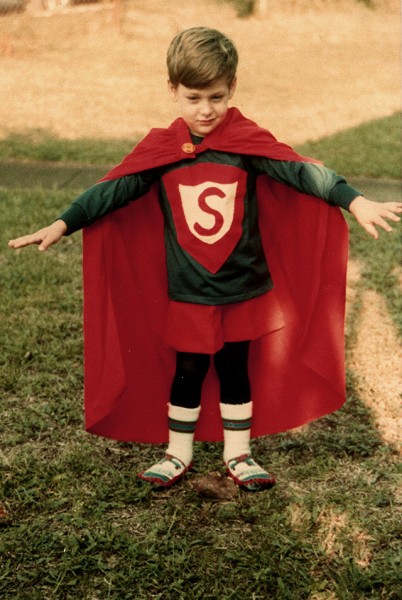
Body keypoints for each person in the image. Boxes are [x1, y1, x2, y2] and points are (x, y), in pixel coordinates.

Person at [8, 27, 401, 491]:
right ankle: (178, 452)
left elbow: (300, 171)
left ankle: (240, 455)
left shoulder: (246, 143)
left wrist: (353, 200)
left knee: (236, 368)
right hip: (191, 291)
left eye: (216, 96)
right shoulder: (163, 151)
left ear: (232, 88)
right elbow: (114, 188)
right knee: (188, 371)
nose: (206, 109)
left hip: (242, 287)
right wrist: (64, 221)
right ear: (172, 90)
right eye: (193, 97)